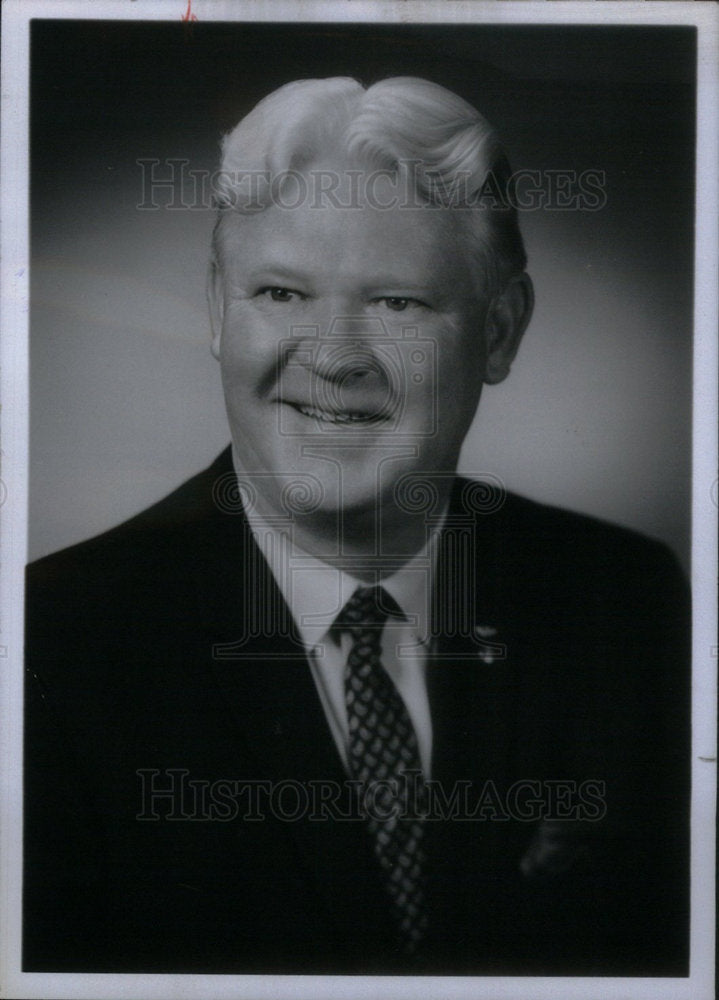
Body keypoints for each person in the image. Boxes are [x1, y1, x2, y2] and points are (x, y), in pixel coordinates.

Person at [24, 77, 689, 976]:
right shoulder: (51, 648)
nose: (334, 357)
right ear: (219, 311)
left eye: (397, 303)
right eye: (281, 294)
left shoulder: (628, 602)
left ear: (499, 331)